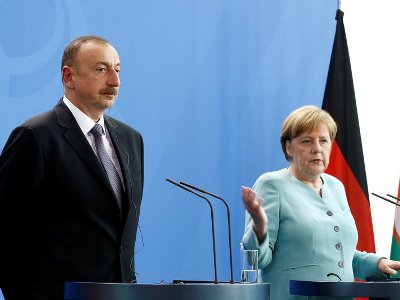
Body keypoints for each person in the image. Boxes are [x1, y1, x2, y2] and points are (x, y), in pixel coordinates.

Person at [0, 36, 144, 300]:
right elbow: (6, 236)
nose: (115, 81)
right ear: (68, 77)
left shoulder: (131, 140)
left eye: (117, 69)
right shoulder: (35, 136)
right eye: (101, 70)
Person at [241, 105, 400, 299]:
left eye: (324, 141)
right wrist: (259, 227)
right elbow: (257, 260)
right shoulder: (272, 185)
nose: (317, 148)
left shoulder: (336, 187)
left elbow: (342, 254)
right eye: (307, 141)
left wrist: (376, 263)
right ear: (288, 147)